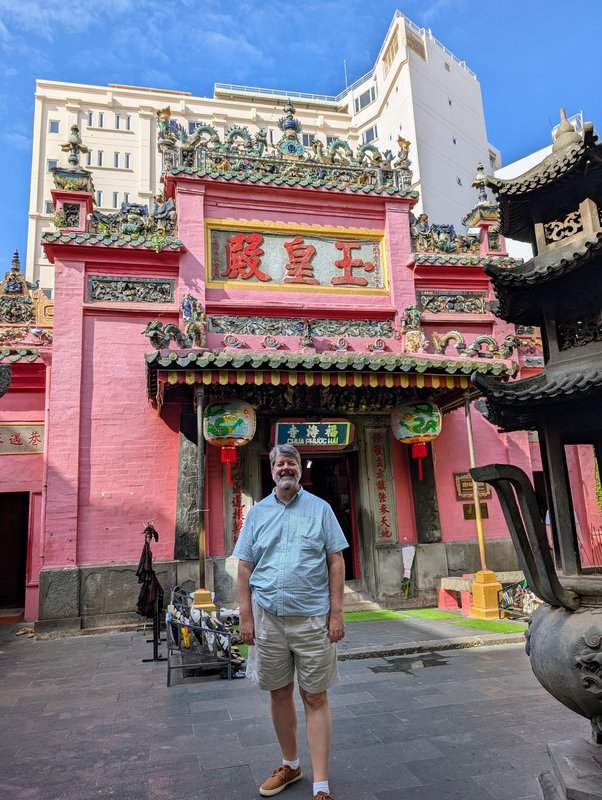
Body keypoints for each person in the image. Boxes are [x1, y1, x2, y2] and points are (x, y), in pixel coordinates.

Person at [233, 444, 348, 800]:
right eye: (280, 463)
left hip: (313, 619)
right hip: (268, 619)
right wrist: (246, 617)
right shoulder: (257, 514)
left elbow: (335, 561)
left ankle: (321, 784)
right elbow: (244, 567)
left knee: (315, 696)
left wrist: (337, 612)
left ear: (301, 470)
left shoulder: (321, 509)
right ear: (272, 471)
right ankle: (290, 764)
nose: (286, 468)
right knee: (279, 692)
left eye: (292, 463)